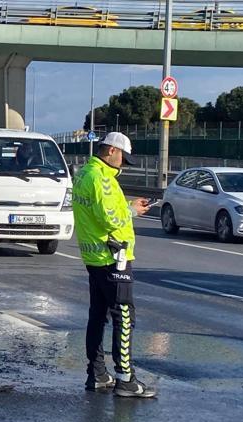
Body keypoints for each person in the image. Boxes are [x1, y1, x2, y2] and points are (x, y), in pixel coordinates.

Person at [72, 132, 156, 398]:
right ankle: (126, 379)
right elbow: (110, 218)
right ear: (110, 151)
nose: (124, 164)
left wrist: (129, 206)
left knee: (97, 315)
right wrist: (131, 210)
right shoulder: (102, 179)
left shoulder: (85, 173)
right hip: (113, 256)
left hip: (94, 256)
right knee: (123, 316)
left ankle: (97, 374)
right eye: (123, 157)